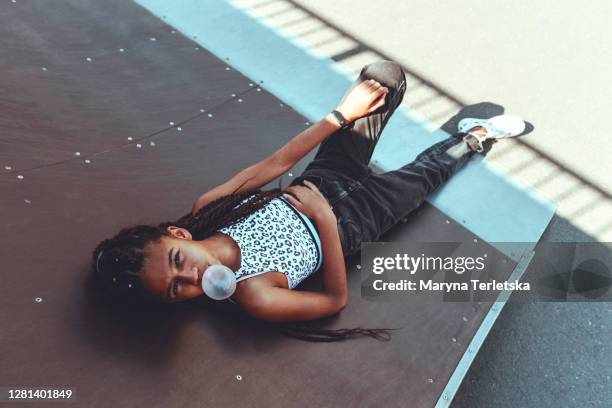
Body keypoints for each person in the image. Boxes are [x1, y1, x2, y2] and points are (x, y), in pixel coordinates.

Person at [92, 60, 524, 342]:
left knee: (384, 76)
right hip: (357, 221)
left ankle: (385, 110)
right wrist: (327, 224)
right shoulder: (253, 295)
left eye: (177, 261)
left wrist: (343, 115)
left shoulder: (211, 207)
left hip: (327, 176)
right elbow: (335, 301)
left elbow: (278, 162)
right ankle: (476, 137)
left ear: (178, 234)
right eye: (175, 290)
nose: (190, 277)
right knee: (426, 174)